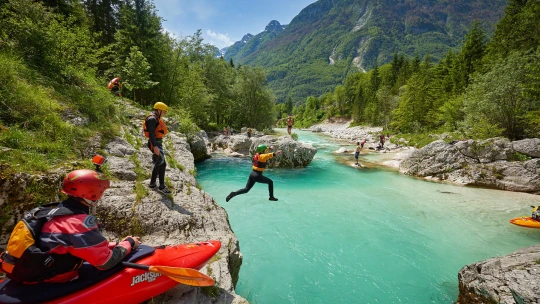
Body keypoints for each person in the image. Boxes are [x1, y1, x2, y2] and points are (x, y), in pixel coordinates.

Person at [0, 169, 141, 283]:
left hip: (30, 266)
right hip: (54, 278)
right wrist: (128, 243)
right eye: (101, 191)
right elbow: (105, 262)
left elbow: (69, 243)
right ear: (92, 194)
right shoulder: (78, 222)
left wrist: (112, 244)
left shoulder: (51, 211)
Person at [143, 102, 171, 194]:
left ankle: (152, 183)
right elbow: (151, 134)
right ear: (159, 110)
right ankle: (162, 187)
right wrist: (155, 147)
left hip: (157, 143)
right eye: (164, 112)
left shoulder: (155, 118)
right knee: (162, 163)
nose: (165, 114)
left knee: (159, 162)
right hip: (154, 144)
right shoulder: (152, 119)